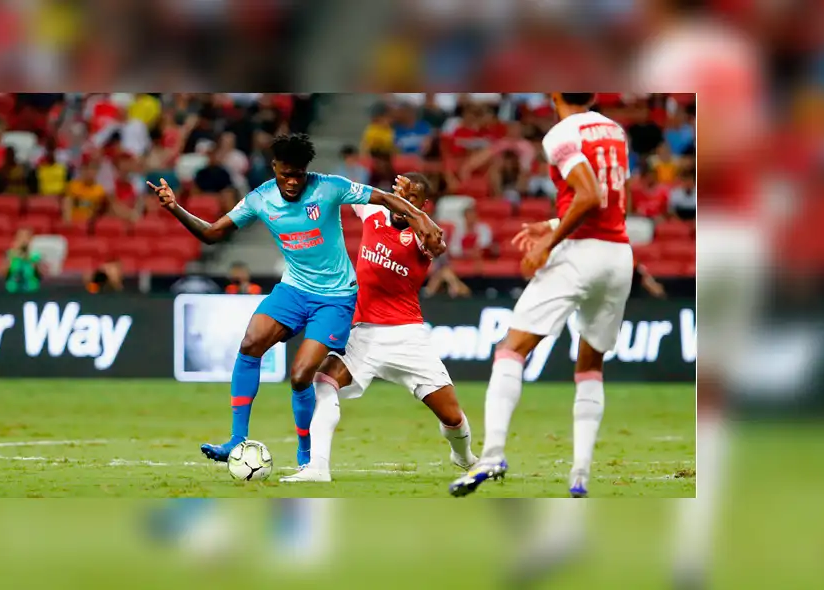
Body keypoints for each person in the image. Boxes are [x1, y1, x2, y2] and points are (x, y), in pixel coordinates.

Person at [147, 133, 442, 467]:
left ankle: (305, 456)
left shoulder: (330, 187)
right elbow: (212, 234)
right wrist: (175, 208)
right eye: (284, 173)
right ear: (273, 167)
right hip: (294, 289)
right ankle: (236, 440)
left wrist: (423, 220)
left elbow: (387, 200)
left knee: (301, 375)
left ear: (306, 171)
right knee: (250, 343)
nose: (291, 181)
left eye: (298, 174)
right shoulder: (260, 199)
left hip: (335, 298)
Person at [450, 93, 633, 498]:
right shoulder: (615, 131)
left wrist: (550, 240)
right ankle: (580, 473)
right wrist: (552, 220)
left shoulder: (561, 134)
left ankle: (493, 453)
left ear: (554, 94)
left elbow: (588, 195)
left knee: (511, 349)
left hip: (579, 254)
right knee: (589, 367)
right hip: (619, 255)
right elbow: (616, 201)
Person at [280, 173, 477, 482]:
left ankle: (464, 457)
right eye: (400, 196)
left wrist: (414, 213)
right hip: (362, 333)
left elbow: (435, 243)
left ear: (423, 205)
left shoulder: (423, 235)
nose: (403, 204)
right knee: (324, 382)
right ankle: (317, 467)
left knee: (452, 416)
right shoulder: (374, 211)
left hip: (407, 336)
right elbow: (344, 188)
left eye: (412, 200)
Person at [0, 228, 42, 293]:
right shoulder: (10, 254)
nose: (23, 240)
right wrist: (13, 257)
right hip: (12, 290)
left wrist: (31, 260)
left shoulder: (35, 255)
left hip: (31, 290)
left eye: (26, 237)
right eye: (21, 237)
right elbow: (2, 273)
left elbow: (41, 274)